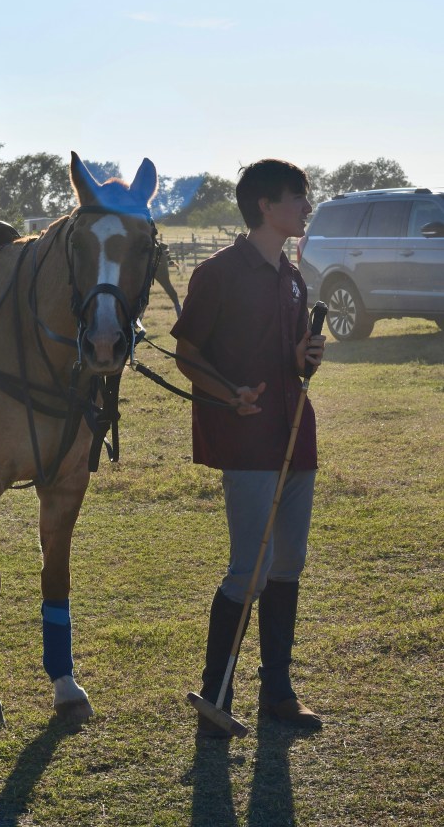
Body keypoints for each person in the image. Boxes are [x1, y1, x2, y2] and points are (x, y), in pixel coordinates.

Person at [171, 158, 326, 738]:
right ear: (265, 205)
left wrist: (304, 357)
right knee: (250, 569)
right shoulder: (217, 273)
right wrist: (228, 393)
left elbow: (291, 358)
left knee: (288, 564)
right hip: (248, 438)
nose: (306, 207)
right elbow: (188, 353)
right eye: (298, 197)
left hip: (295, 433)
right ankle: (216, 695)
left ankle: (277, 693)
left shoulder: (293, 276)